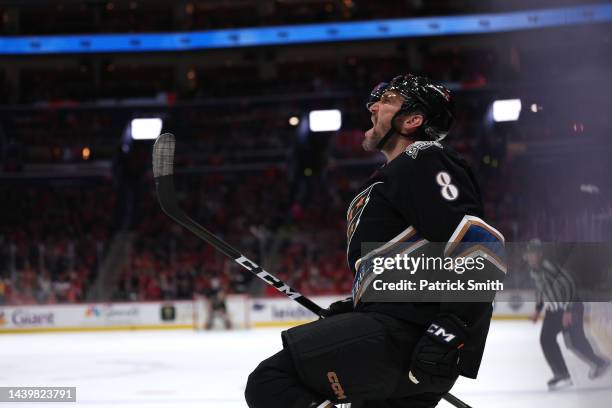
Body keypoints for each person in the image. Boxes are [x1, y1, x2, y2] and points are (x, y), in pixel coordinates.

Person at [245, 74, 506, 408]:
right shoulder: (399, 174)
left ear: (412, 121)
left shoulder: (423, 158)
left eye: (388, 100)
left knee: (272, 381)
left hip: (408, 339)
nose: (373, 105)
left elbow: (482, 248)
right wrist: (356, 308)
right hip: (411, 347)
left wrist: (449, 331)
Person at [525, 240, 609, 390]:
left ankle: (600, 363)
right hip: (555, 311)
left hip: (571, 306)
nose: (530, 258)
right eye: (528, 255)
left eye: (532, 254)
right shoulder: (534, 271)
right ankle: (562, 374)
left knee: (574, 342)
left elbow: (569, 283)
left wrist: (569, 309)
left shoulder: (549, 267)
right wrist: (538, 310)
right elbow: (541, 291)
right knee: (546, 339)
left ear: (539, 254)